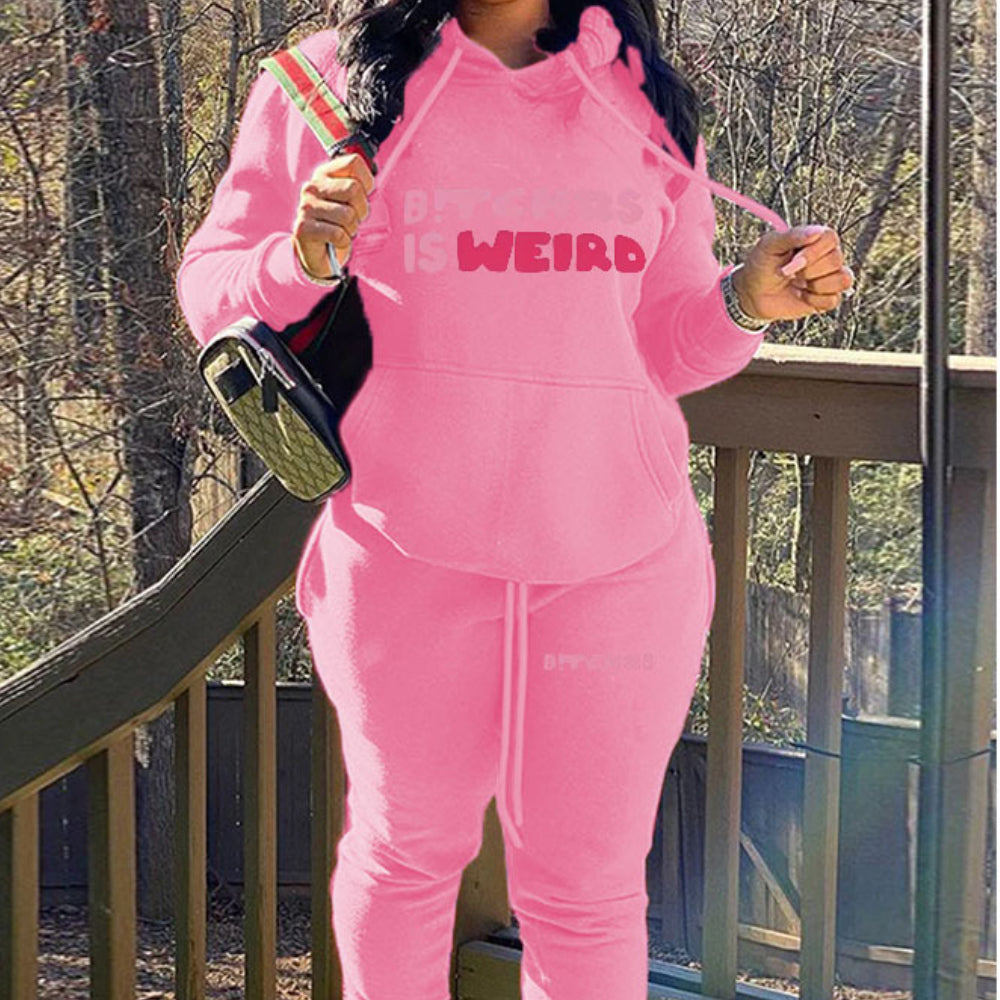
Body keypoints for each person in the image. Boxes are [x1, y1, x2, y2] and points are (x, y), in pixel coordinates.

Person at [175, 1, 854, 996]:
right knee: (403, 857)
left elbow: (661, 349)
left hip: (620, 567)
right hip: (401, 556)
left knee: (590, 892)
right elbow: (212, 291)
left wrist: (745, 300)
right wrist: (302, 256)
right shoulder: (319, 84)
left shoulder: (643, 97)